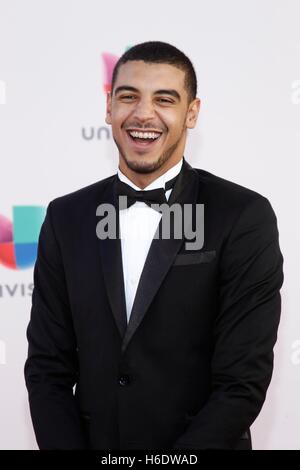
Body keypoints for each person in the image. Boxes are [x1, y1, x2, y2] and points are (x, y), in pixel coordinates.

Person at [24, 41, 284, 450]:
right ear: (109, 108)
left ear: (191, 113)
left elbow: (241, 383)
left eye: (165, 99)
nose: (143, 114)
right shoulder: (66, 217)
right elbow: (47, 371)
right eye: (129, 96)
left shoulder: (241, 216)